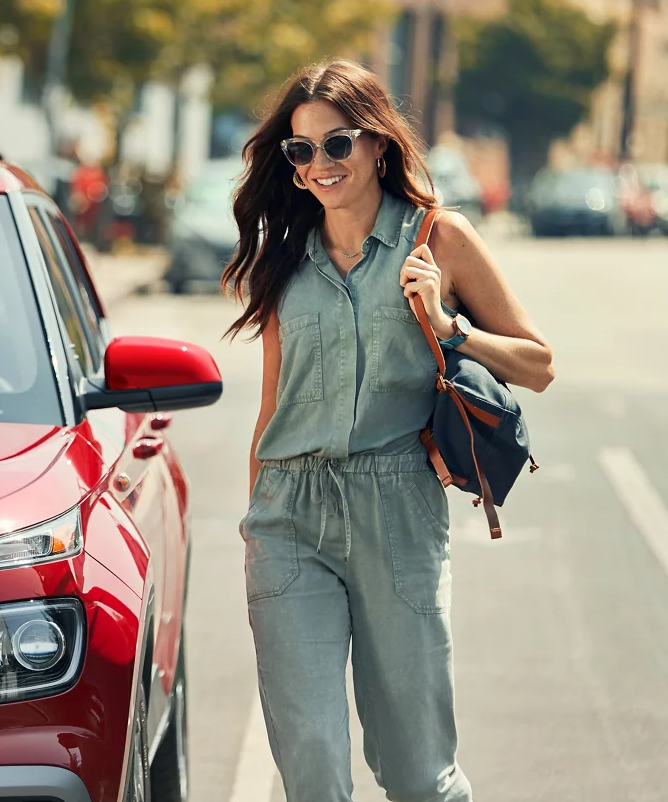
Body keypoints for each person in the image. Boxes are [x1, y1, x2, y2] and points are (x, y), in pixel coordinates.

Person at [223, 60, 554, 802]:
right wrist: (256, 520)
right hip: (289, 516)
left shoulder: (440, 238)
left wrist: (448, 326)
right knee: (309, 759)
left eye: (335, 145)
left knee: (416, 772)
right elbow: (274, 398)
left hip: (396, 505)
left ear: (377, 144)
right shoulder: (285, 254)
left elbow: (538, 364)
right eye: (300, 151)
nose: (318, 166)